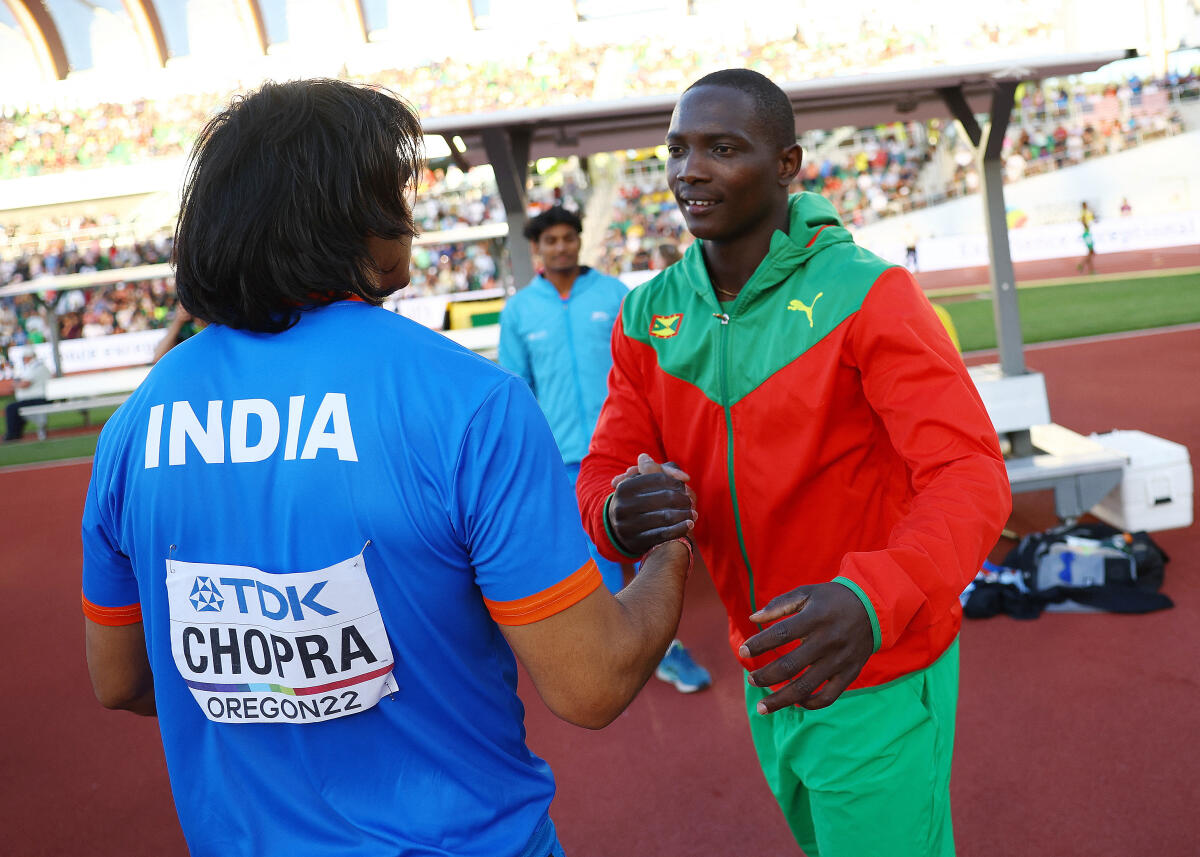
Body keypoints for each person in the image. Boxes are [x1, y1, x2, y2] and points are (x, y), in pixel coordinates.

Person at [81, 78, 695, 857]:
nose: (408, 215)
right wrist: (669, 548)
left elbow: (122, 680)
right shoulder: (469, 403)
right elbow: (594, 681)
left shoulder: (134, 425)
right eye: (393, 191)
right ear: (348, 215)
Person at [577, 69, 1011, 856]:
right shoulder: (646, 316)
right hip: (768, 669)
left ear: (787, 164)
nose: (689, 170)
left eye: (722, 147)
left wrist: (871, 600)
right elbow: (604, 467)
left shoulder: (871, 294)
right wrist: (614, 509)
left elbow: (970, 474)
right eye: (677, 149)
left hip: (872, 659)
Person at [499, 206, 711, 694]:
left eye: (567, 238)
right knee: (599, 558)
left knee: (655, 549)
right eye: (549, 240)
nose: (560, 247)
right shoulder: (520, 312)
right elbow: (519, 390)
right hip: (567, 457)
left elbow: (648, 372)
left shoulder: (616, 295)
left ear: (578, 241)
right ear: (537, 249)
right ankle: (627, 654)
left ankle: (664, 647)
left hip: (629, 452)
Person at [4, 348, 51, 441]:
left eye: (24, 358)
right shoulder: (38, 366)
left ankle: (13, 434)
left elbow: (25, 383)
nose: (23, 360)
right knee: (14, 408)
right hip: (38, 398)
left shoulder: (35, 367)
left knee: (11, 408)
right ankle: (15, 434)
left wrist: (15, 385)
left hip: (37, 399)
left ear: (28, 357)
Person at [1078, 201, 1097, 274]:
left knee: (1091, 252)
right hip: (1086, 234)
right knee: (1092, 252)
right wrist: (1086, 226)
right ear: (1083, 206)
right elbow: (1083, 221)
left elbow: (1093, 219)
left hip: (1087, 233)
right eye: (1085, 205)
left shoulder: (1087, 212)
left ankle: (1091, 270)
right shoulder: (1084, 213)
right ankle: (1082, 265)